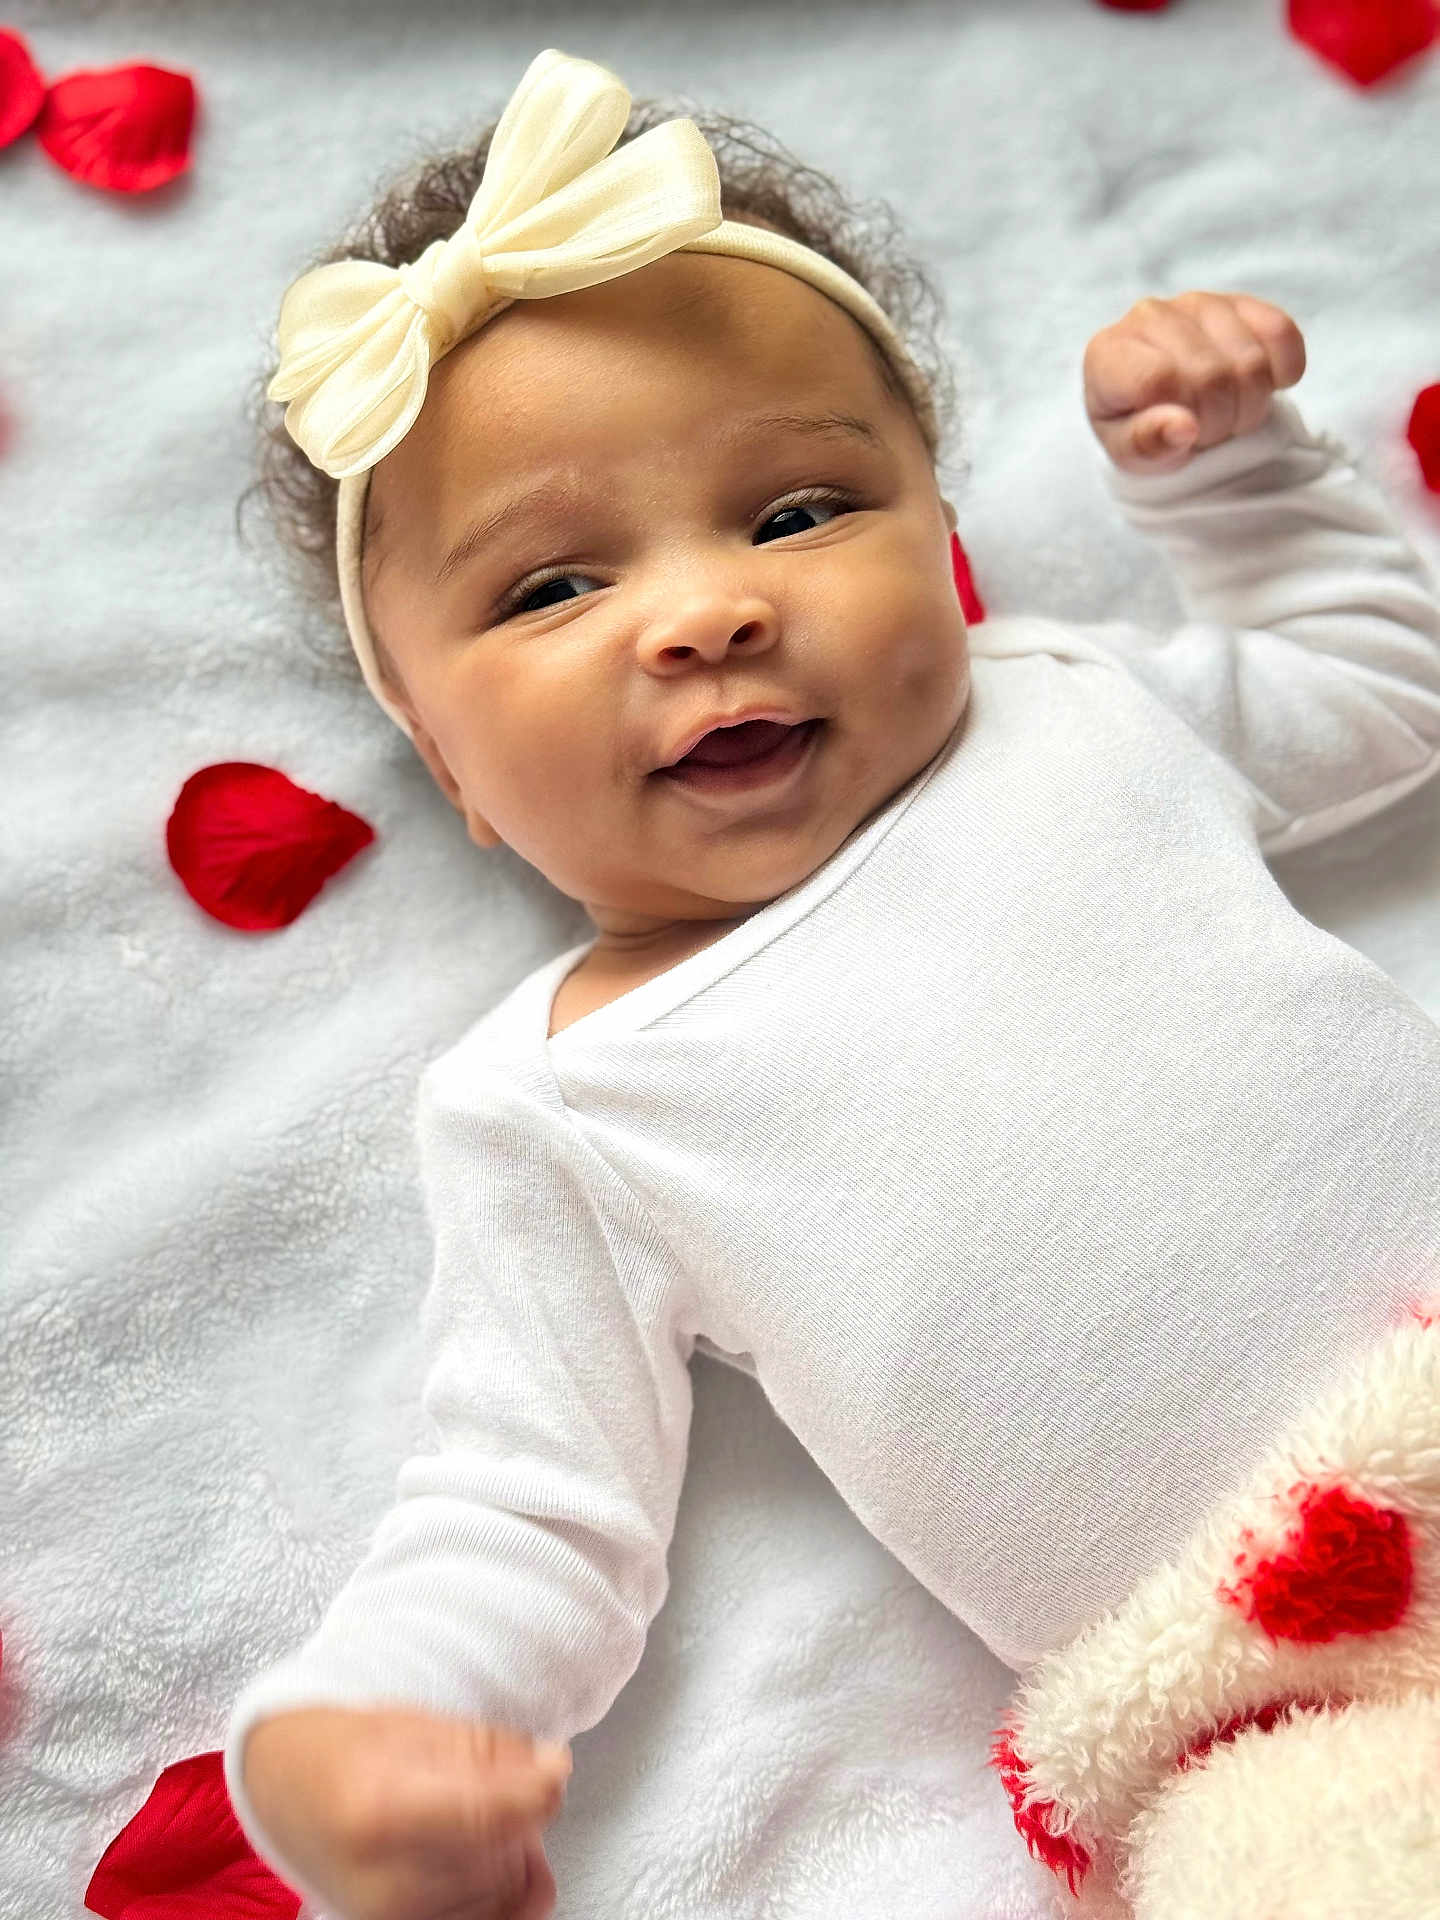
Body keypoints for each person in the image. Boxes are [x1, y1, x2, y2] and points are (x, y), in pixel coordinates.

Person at [223, 46, 1440, 1920]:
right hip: (1274, 1696)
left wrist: (1240, 473)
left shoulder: (1069, 712)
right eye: (549, 590)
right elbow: (526, 1514)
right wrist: (366, 1727)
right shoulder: (561, 1096)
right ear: (449, 770)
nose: (706, 609)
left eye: (796, 513)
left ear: (936, 540)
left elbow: (1383, 688)